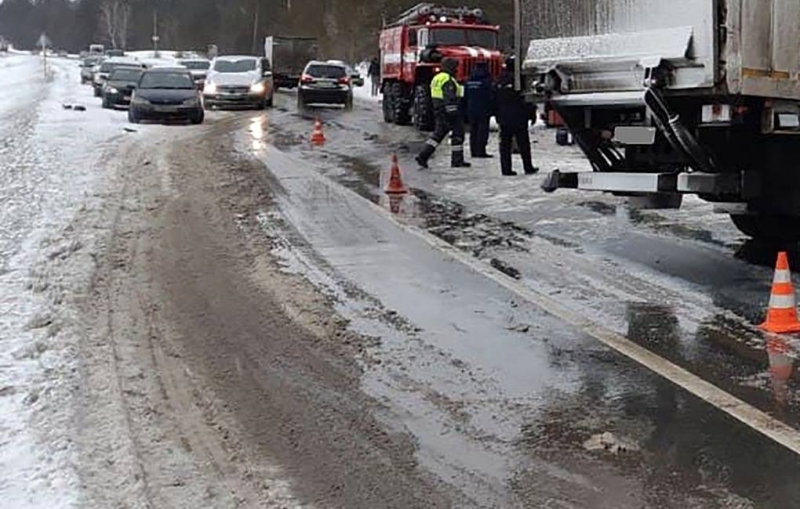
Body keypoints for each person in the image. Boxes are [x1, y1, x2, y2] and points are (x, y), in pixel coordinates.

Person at [416, 58, 470, 169]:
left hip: (439, 109)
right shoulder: (447, 79)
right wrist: (453, 112)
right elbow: (449, 97)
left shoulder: (437, 78)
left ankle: (423, 155)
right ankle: (456, 160)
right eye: (455, 67)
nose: (457, 69)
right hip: (449, 111)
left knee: (438, 135)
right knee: (458, 134)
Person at [495, 56, 539, 176]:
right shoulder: (520, 80)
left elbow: (493, 99)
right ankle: (528, 167)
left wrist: (496, 114)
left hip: (504, 118)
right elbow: (526, 98)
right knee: (523, 144)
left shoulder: (499, 80)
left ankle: (506, 169)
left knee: (504, 145)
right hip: (519, 117)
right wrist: (532, 114)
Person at [465, 60, 494, 158]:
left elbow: (465, 95)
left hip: (471, 109)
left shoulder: (469, 80)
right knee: (482, 130)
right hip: (484, 109)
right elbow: (491, 95)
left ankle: (473, 151)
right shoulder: (487, 80)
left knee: (473, 130)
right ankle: (481, 151)